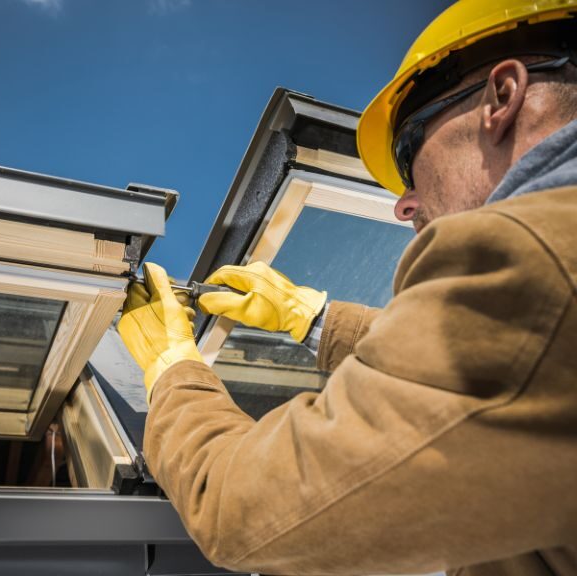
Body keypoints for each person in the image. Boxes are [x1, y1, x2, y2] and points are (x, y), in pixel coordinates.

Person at [118, 1, 577, 574]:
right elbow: (493, 373)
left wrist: (173, 371)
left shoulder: (536, 258)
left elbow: (245, 510)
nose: (404, 203)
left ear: (502, 97)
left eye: (410, 153)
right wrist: (312, 319)